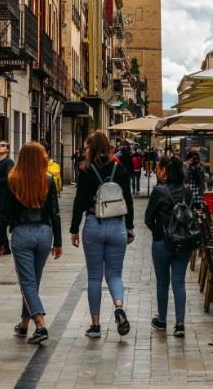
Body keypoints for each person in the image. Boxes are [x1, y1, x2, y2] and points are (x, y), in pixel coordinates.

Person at [70, 130, 135, 338]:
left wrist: (73, 229)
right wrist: (130, 226)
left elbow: (79, 202)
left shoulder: (86, 171)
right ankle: (118, 306)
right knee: (115, 274)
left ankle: (95, 325)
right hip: (117, 226)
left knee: (95, 277)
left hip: (94, 224)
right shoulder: (120, 169)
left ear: (92, 148)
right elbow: (128, 200)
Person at [3, 142, 62, 344]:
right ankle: (24, 324)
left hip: (22, 233)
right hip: (45, 233)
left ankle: (40, 324)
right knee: (33, 281)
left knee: (27, 282)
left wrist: (1, 237)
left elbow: (5, 212)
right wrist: (59, 242)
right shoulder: (48, 180)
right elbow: (55, 212)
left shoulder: (12, 179)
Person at [145, 157, 192, 337]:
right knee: (179, 282)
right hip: (183, 241)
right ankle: (180, 323)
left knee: (162, 282)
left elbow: (148, 218)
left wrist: (160, 232)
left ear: (167, 172)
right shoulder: (187, 192)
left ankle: (162, 319)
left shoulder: (159, 191)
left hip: (161, 243)